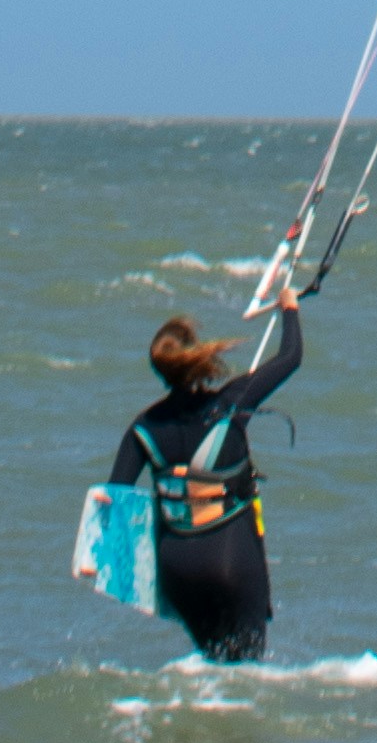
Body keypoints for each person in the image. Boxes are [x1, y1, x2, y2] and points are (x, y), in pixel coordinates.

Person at [104, 281, 305, 658]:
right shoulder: (231, 404)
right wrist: (289, 308)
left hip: (177, 571)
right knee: (244, 675)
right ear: (197, 357)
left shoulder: (143, 428)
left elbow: (116, 498)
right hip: (230, 559)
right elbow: (290, 357)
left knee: (211, 667)